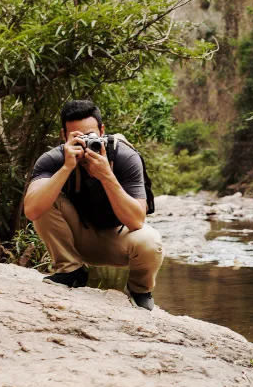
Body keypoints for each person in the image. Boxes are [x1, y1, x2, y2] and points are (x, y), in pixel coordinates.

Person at [24, 100, 164, 311]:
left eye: (90, 135)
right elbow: (32, 210)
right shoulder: (53, 160)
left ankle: (140, 290)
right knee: (44, 195)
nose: (85, 143)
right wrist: (66, 168)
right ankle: (71, 271)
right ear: (64, 136)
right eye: (77, 137)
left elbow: (136, 221)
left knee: (151, 241)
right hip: (77, 238)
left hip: (119, 240)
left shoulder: (125, 157)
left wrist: (106, 175)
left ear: (102, 131)